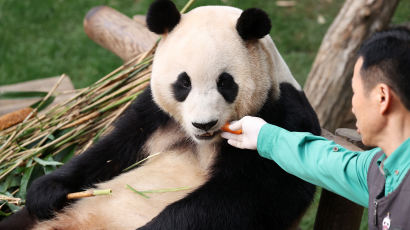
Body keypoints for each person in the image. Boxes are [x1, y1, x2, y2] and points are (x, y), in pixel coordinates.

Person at [221, 27, 410, 230]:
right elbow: (330, 162)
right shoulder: (384, 168)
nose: (352, 105)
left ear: (382, 97)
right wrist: (264, 136)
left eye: (355, 92)